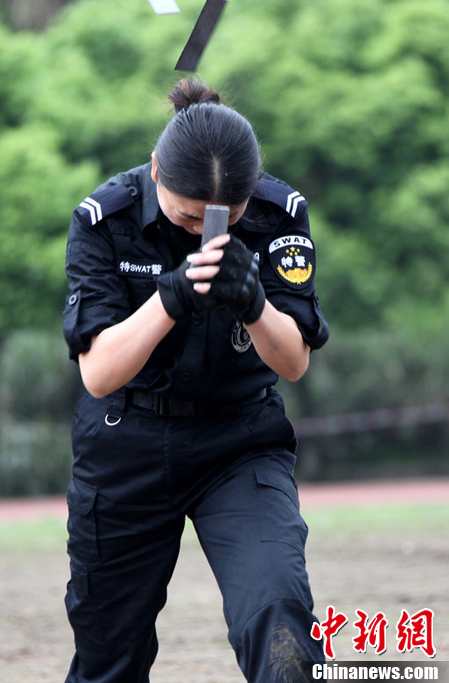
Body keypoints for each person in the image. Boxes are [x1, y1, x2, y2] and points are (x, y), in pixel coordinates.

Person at [62, 77, 329, 683]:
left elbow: (293, 363)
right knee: (110, 656)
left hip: (239, 443)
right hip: (125, 443)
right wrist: (172, 296)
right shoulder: (106, 219)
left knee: (281, 618)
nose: (199, 230)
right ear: (157, 171)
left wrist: (256, 305)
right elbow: (99, 373)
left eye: (223, 219)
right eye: (186, 216)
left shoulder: (277, 215)